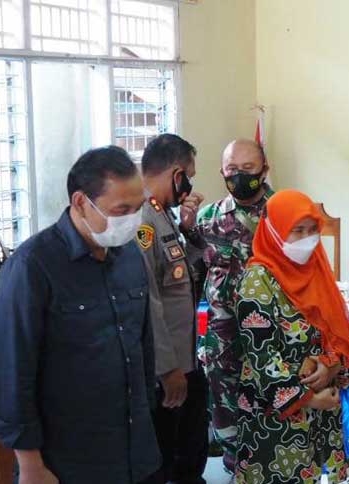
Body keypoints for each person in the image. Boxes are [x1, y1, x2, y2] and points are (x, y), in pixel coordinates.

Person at [0, 146, 159, 484]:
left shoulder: (129, 255)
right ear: (81, 202)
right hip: (67, 460)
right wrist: (30, 464)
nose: (132, 220)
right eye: (121, 210)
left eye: (138, 208)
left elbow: (143, 346)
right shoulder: (32, 267)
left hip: (134, 450)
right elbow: (12, 373)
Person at [233, 189, 349, 483]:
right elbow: (262, 355)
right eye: (297, 230)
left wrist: (332, 363)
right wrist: (309, 399)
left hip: (322, 406)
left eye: (312, 229)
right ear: (274, 230)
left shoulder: (316, 270)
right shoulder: (257, 281)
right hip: (276, 415)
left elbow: (338, 331)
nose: (307, 238)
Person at [196, 139, 273, 473]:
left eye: (248, 169)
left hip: (270, 343)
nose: (239, 176)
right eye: (232, 169)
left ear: (264, 170)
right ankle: (233, 467)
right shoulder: (208, 218)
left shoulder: (283, 215)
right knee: (225, 416)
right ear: (222, 172)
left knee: (269, 417)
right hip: (222, 342)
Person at [137, 134, 209, 484]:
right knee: (165, 459)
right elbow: (148, 301)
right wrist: (167, 369)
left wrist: (188, 231)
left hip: (186, 360)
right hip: (167, 370)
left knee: (190, 452)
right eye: (189, 177)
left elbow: (181, 274)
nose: (189, 186)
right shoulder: (143, 221)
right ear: (177, 174)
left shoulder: (162, 214)